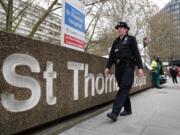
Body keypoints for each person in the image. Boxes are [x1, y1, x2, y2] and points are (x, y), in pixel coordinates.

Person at [104, 21, 144, 122]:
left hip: (128, 68)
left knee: (124, 88)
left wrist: (140, 67)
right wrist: (107, 67)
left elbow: (136, 54)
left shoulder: (131, 39)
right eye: (118, 28)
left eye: (122, 27)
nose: (119, 29)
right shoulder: (115, 42)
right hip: (119, 69)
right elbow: (111, 57)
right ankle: (128, 109)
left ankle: (114, 112)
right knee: (123, 89)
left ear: (126, 29)